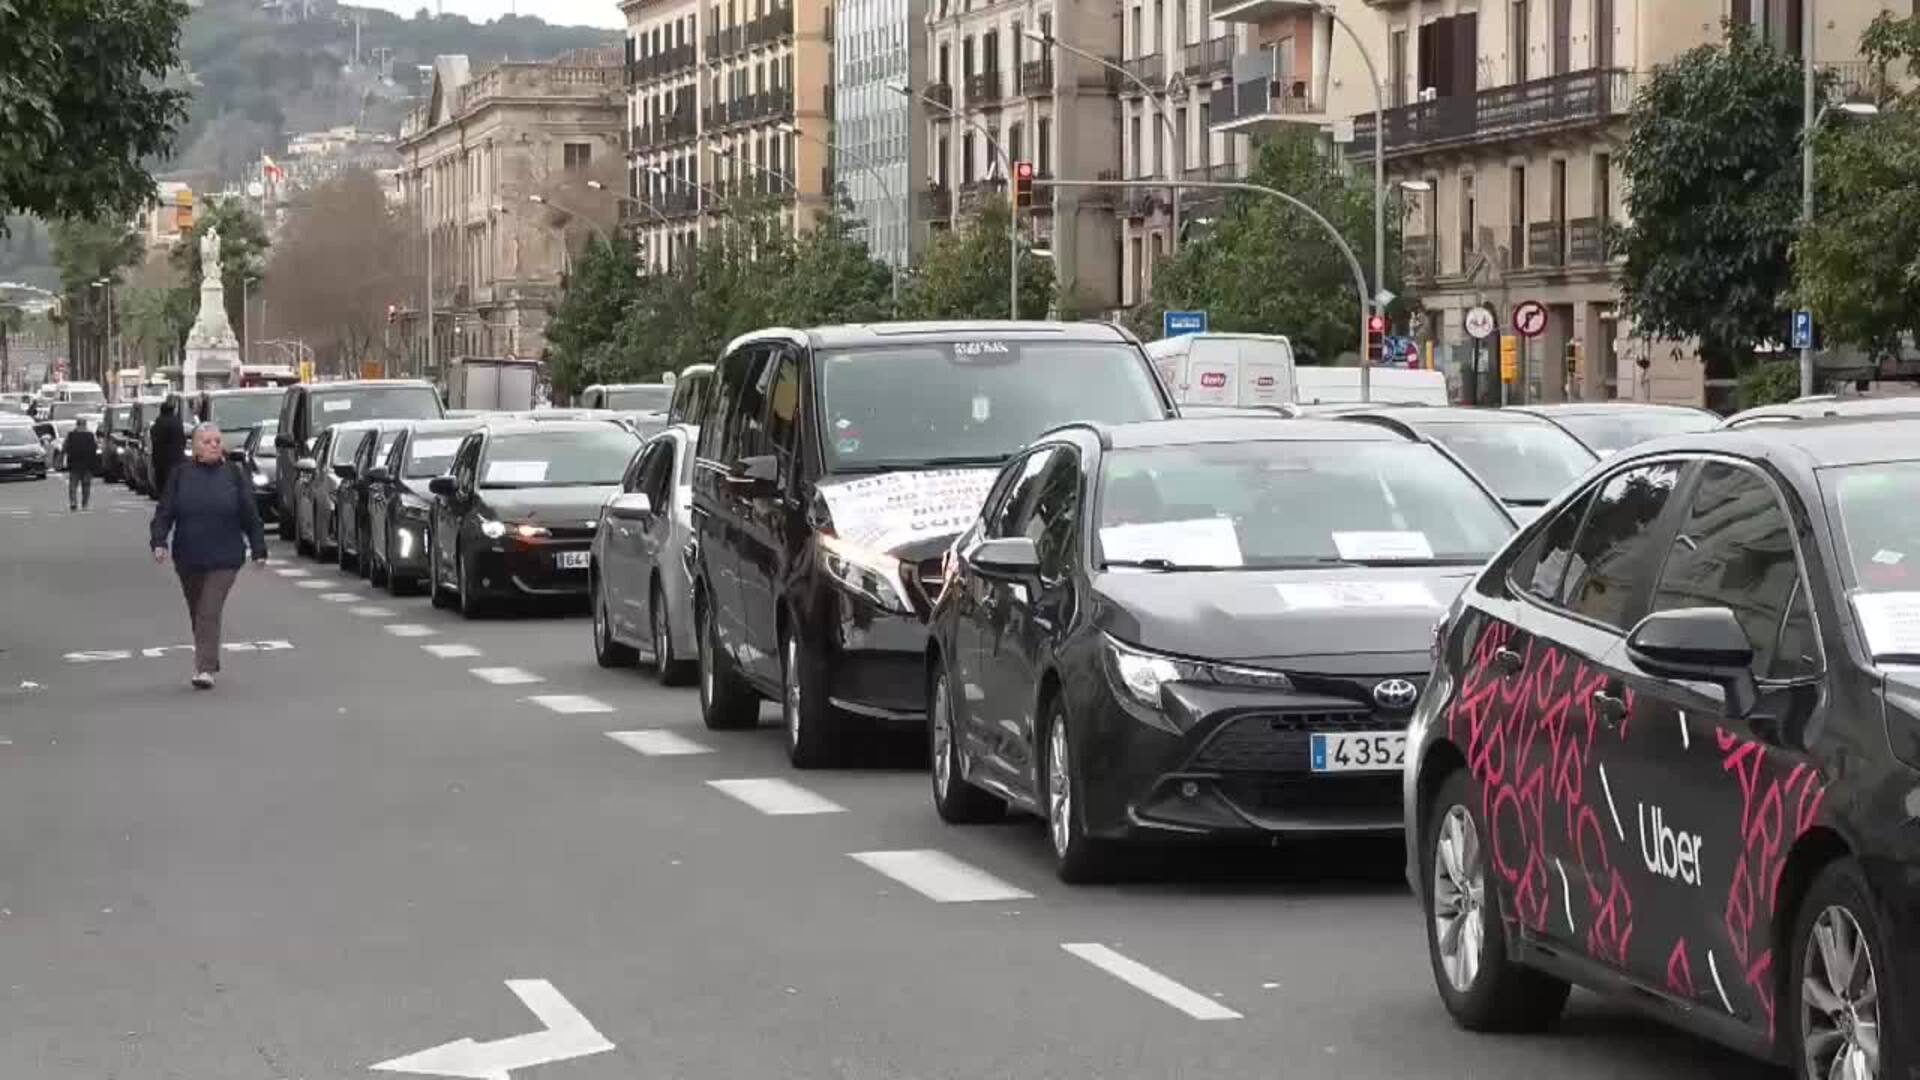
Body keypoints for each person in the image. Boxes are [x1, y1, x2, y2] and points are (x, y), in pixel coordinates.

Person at [151, 423, 268, 689]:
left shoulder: (233, 474)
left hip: (226, 556)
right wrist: (159, 541)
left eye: (217, 440)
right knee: (198, 610)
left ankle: (204, 668)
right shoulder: (181, 475)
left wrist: (258, 548)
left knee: (209, 609)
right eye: (207, 441)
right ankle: (207, 656)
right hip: (189, 556)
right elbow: (165, 511)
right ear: (195, 447)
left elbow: (249, 513)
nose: (214, 445)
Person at [150, 399, 186, 499]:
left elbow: (154, 439)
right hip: (177, 458)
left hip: (161, 459)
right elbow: (183, 440)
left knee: (163, 485)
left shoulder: (158, 423)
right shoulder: (177, 423)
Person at [62, 417, 100, 511]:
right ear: (85, 425)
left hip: (74, 463)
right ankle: (85, 504)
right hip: (88, 464)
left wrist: (67, 454)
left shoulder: (71, 435)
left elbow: (65, 447)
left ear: (77, 424)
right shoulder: (91, 435)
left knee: (73, 485)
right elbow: (96, 447)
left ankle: (73, 502)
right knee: (86, 485)